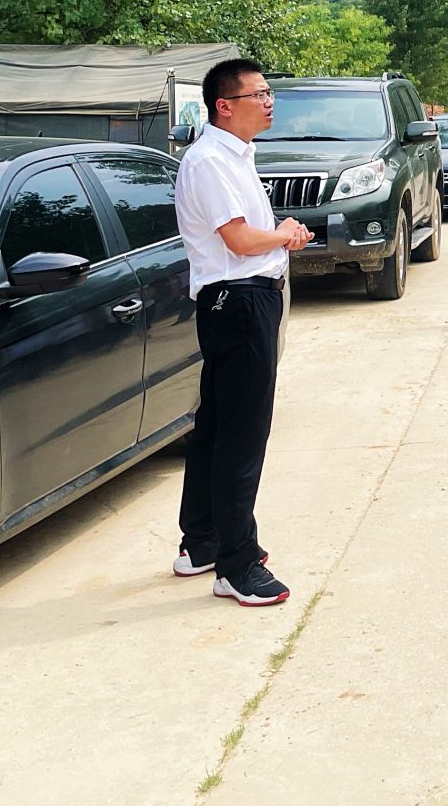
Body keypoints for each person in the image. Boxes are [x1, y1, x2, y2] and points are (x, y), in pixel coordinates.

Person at [173, 58, 312, 608]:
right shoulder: (210, 161)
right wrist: (283, 234)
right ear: (224, 106)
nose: (269, 101)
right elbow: (238, 240)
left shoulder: (235, 155)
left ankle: (202, 541)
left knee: (216, 427)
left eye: (270, 92)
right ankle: (236, 564)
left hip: (239, 300)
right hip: (239, 301)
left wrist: (277, 236)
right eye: (259, 94)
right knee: (242, 435)